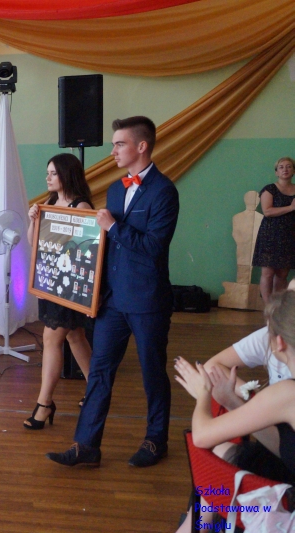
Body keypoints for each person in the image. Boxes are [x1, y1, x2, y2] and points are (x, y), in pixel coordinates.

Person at [47, 116, 180, 468]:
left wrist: (112, 226)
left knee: (153, 373)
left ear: (142, 146)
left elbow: (153, 247)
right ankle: (86, 445)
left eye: (120, 144)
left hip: (148, 299)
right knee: (99, 371)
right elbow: (104, 245)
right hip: (112, 300)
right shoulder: (116, 189)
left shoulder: (165, 191)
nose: (113, 151)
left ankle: (156, 440)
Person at [174, 288, 295, 532]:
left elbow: (202, 435)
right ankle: (196, 524)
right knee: (223, 453)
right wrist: (232, 402)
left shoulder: (286, 394)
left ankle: (195, 526)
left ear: (280, 341)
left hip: (287, 507)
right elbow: (284, 447)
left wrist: (203, 394)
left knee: (216, 464)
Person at [23, 153, 92, 430]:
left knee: (51, 338)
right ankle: (97, 389)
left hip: (68, 285)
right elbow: (34, 243)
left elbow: (88, 249)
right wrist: (33, 220)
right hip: (50, 281)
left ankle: (44, 403)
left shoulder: (81, 206)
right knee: (75, 336)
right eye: (47, 173)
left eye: (53, 173)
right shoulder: (50, 203)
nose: (48, 178)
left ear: (66, 174)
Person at [251, 156, 295, 305]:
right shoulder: (270, 189)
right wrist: (290, 207)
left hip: (290, 235)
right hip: (270, 234)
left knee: (282, 274)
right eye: (281, 167)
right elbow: (267, 211)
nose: (285, 169)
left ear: (293, 171)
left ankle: (278, 308)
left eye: (289, 166)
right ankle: (268, 308)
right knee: (268, 272)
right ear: (276, 172)